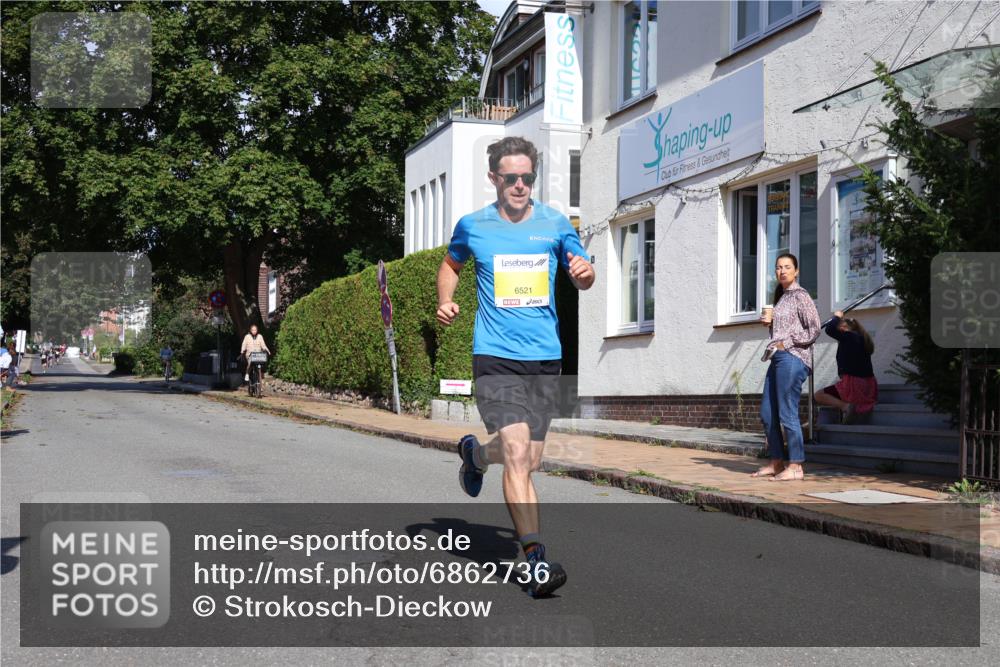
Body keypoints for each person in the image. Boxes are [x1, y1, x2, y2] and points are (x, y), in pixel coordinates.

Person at [436, 136, 595, 597]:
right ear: (494, 179)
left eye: (528, 177)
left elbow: (582, 271)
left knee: (531, 459)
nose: (521, 185)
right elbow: (450, 265)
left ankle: (475, 455)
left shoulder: (556, 223)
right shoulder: (474, 226)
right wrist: (446, 300)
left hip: (548, 358)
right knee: (519, 454)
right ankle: (534, 559)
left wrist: (585, 275)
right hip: (495, 356)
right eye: (511, 178)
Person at [752, 253, 821, 482]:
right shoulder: (781, 298)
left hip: (793, 357)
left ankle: (796, 465)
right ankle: (776, 462)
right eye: (778, 267)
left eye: (787, 267)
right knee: (767, 413)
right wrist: (771, 326)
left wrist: (786, 342)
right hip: (777, 357)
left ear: (796, 271)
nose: (782, 271)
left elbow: (814, 329)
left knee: (787, 412)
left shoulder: (801, 295)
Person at [815, 311, 877, 424]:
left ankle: (846, 407)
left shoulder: (850, 336)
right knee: (834, 395)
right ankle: (846, 411)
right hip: (869, 386)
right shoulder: (861, 339)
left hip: (854, 384)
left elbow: (829, 329)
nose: (839, 332)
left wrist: (837, 316)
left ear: (843, 328)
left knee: (818, 395)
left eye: (840, 328)